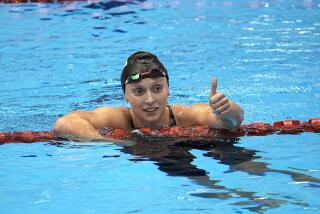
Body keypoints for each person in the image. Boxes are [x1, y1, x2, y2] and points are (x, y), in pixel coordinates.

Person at [53, 51, 244, 141]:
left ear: (168, 90)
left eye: (157, 89)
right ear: (125, 96)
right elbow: (65, 123)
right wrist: (106, 141)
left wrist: (226, 111)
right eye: (139, 91)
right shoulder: (119, 118)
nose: (150, 99)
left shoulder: (185, 116)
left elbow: (231, 122)